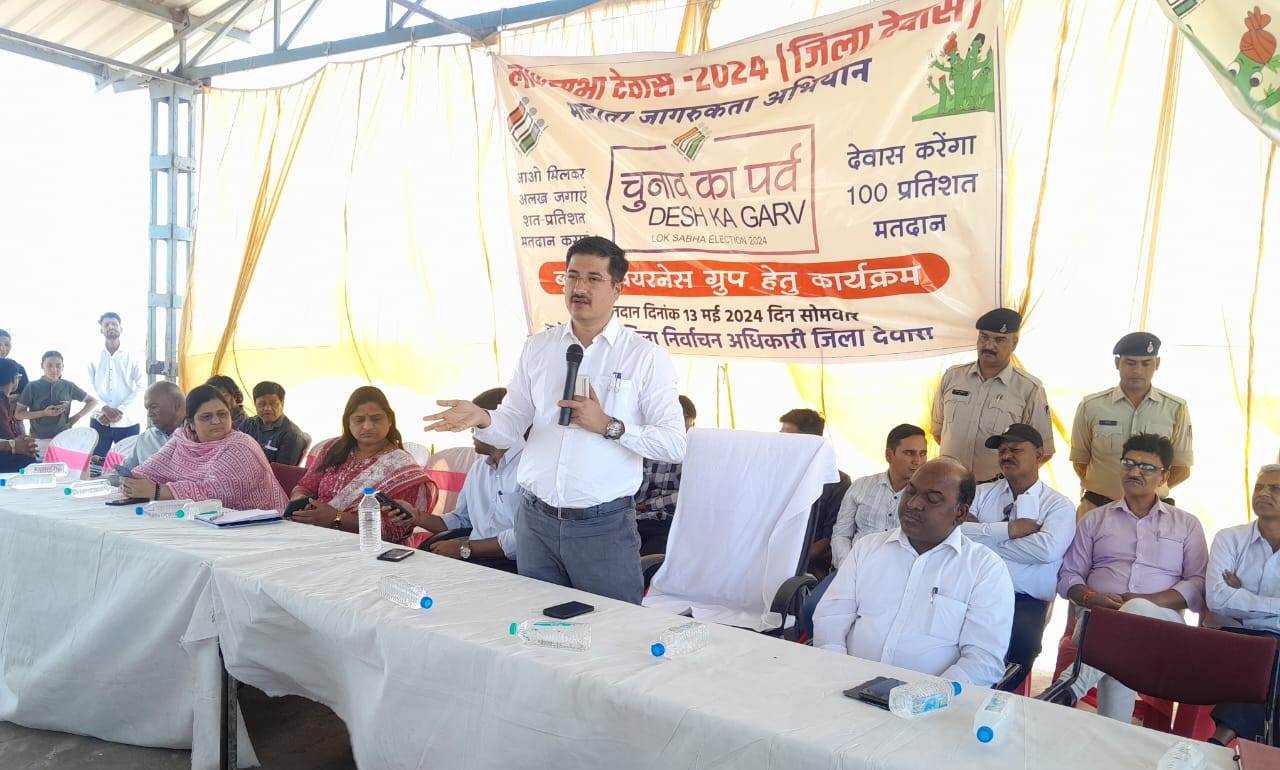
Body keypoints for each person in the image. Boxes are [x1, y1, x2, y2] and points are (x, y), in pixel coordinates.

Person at [424, 236, 686, 604]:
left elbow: (674, 444)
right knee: (539, 625)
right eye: (572, 276)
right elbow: (512, 422)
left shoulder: (645, 358)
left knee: (612, 629)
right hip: (535, 521)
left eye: (593, 278)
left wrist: (609, 426)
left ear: (617, 289)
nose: (579, 287)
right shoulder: (539, 348)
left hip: (602, 527)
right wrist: (482, 417)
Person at [1043, 434, 1208, 718]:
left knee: (1132, 613)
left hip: (1162, 628)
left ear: (1164, 476)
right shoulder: (1094, 520)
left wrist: (1146, 601)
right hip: (1098, 620)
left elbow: (1198, 583)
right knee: (1119, 648)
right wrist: (1090, 597)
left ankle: (1070, 685)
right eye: (1128, 463)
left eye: (1146, 467)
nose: (1134, 472)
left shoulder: (1186, 524)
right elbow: (1069, 575)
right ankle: (1112, 729)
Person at [812, 458, 1015, 687]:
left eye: (933, 499)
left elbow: (983, 659)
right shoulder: (867, 548)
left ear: (960, 513)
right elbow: (830, 619)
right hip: (846, 685)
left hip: (931, 702)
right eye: (911, 491)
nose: (914, 504)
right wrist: (839, 675)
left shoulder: (984, 569)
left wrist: (923, 698)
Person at [960, 424, 1076, 690]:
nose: (1006, 455)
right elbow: (957, 532)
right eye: (1002, 451)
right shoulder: (981, 493)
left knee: (1023, 648)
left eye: (1015, 449)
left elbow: (1047, 550)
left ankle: (992, 698)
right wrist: (1011, 530)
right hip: (974, 590)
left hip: (1024, 600)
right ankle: (964, 695)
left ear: (1039, 455)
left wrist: (984, 538)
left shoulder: (1058, 504)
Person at [800, 423, 928, 638]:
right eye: (909, 453)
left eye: (923, 454)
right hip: (852, 566)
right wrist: (848, 565)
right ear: (889, 454)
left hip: (898, 575)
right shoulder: (861, 486)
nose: (918, 461)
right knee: (812, 609)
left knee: (873, 624)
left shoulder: (927, 497)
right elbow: (841, 533)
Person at [291, 386, 436, 544]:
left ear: (389, 420)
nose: (367, 426)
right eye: (359, 420)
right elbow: (305, 486)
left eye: (376, 419)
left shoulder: (402, 467)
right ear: (348, 423)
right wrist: (301, 500)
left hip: (369, 547)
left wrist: (336, 518)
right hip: (315, 536)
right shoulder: (332, 449)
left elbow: (394, 530)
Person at [1069, 332, 1193, 516]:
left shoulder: (1175, 408)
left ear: (1157, 364)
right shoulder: (1091, 406)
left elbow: (1181, 468)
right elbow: (1080, 462)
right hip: (1098, 509)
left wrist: (1144, 494)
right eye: (1130, 363)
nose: (1138, 370)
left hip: (1151, 514)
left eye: (1146, 363)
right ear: (1117, 363)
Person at [930, 307, 1054, 483]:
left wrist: (1008, 480)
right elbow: (938, 432)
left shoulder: (1029, 389)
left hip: (997, 488)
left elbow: (1043, 451)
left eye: (999, 340)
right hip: (950, 485)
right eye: (984, 337)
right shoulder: (952, 377)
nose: (988, 346)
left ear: (1014, 343)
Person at [1205, 464, 1280, 746]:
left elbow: (1230, 601)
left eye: (1275, 489)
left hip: (1272, 643)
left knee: (1271, 654)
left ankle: (1220, 740)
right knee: (1269, 654)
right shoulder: (1230, 538)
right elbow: (1217, 599)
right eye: (1259, 487)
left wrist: (1243, 595)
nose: (1263, 493)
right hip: (1229, 637)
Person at [121, 385, 289, 512]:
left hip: (256, 525)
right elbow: (149, 470)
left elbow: (216, 495)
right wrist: (131, 482)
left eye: (222, 414)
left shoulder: (240, 446)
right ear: (191, 424)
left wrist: (158, 491)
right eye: (206, 417)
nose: (216, 421)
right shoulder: (183, 439)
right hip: (202, 522)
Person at [407, 388, 522, 571]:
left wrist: (465, 549)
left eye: (477, 425)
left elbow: (525, 537)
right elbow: (461, 520)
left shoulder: (530, 470)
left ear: (499, 426)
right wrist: (416, 516)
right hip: (473, 557)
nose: (471, 432)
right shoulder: (478, 468)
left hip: (512, 565)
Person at [780, 408, 851, 579]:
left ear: (810, 441)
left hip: (809, 564)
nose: (780, 440)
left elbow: (829, 538)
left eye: (787, 435)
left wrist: (792, 560)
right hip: (772, 557)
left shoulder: (838, 481)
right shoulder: (776, 475)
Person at [634, 394, 696, 556]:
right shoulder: (652, 448)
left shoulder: (697, 454)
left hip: (672, 523)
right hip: (638, 520)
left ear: (692, 422)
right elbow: (637, 491)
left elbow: (690, 495)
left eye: (683, 419)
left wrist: (650, 505)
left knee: (653, 558)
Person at [87, 312, 147, 460]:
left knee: (128, 464)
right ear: (101, 330)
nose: (111, 327)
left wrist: (120, 410)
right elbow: (87, 385)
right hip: (100, 420)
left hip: (128, 421)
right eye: (106, 325)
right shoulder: (92, 355)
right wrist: (104, 409)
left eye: (114, 324)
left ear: (121, 328)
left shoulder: (133, 355)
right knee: (96, 464)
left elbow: (141, 385)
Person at [16, 351, 98, 454]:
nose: (54, 370)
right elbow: (18, 414)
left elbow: (92, 401)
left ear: (63, 367)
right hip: (38, 441)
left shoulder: (68, 386)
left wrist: (75, 418)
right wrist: (44, 413)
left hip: (64, 439)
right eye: (49, 365)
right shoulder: (32, 387)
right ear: (42, 366)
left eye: (58, 366)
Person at [107, 381, 185, 484]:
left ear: (177, 404)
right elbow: (122, 473)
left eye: (154, 407)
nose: (149, 414)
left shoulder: (198, 437)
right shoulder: (145, 439)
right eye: (147, 409)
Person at [241, 381, 310, 466]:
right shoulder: (248, 423)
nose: (267, 408)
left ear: (282, 404)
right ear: (255, 404)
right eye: (261, 404)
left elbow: (281, 471)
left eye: (273, 404)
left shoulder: (292, 435)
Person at [0, 358, 38, 472]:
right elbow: (9, 440)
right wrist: (14, 445)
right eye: (18, 377)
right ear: (13, 378)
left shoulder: (5, 402)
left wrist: (23, 443)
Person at [0, 328, 29, 402]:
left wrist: (15, 397)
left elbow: (27, 394)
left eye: (7, 345)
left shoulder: (18, 368)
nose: (3, 348)